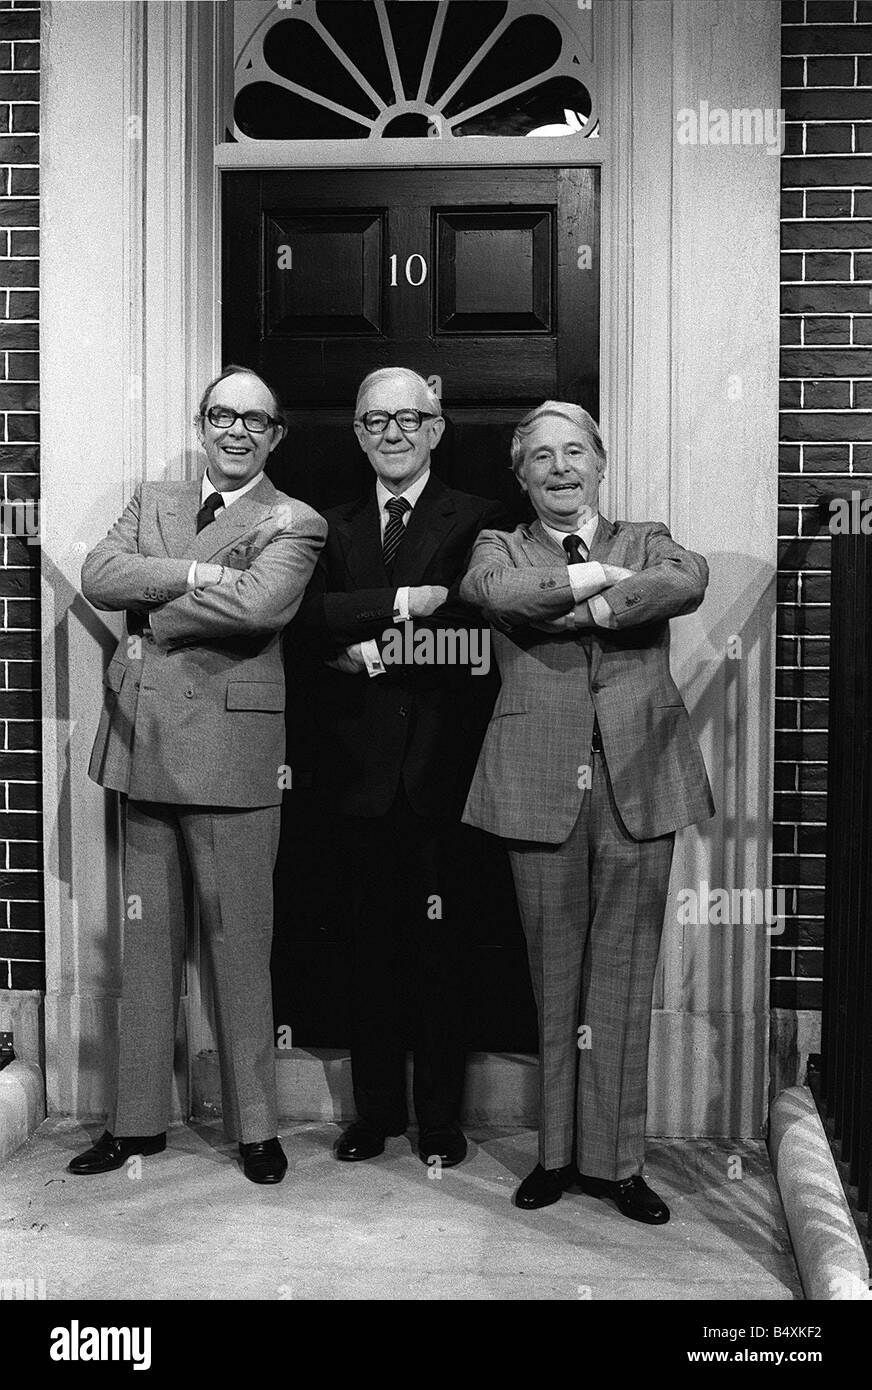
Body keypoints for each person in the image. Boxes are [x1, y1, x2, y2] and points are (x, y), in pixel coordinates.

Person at [69, 365, 327, 1184]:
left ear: (274, 436)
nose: (237, 431)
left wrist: (154, 611)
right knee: (145, 946)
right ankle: (137, 1124)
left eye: (255, 420)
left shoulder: (297, 519)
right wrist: (197, 573)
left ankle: (257, 1130)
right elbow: (100, 575)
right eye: (223, 416)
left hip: (234, 755)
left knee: (239, 945)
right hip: (143, 741)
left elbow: (260, 607)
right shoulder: (154, 499)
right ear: (201, 425)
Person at [460, 401, 714, 1222]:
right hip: (537, 783)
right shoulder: (501, 545)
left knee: (624, 977)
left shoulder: (646, 537)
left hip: (641, 778)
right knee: (553, 978)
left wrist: (594, 605)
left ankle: (617, 1164)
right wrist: (590, 578)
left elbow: (686, 579)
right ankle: (557, 1156)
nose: (560, 468)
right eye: (541, 457)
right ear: (522, 475)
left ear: (600, 463)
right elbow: (491, 592)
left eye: (575, 452)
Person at [293, 367, 503, 1169]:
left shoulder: (480, 518)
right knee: (366, 953)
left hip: (445, 774)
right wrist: (413, 602)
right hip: (354, 777)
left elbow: (473, 636)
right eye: (375, 420)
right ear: (356, 431)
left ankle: (440, 1119)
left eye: (409, 419)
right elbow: (308, 622)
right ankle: (375, 1114)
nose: (392, 433)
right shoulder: (327, 525)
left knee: (445, 954)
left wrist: (372, 655)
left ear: (436, 428)